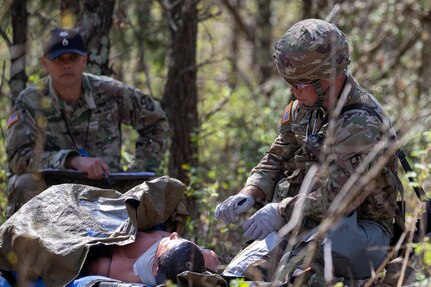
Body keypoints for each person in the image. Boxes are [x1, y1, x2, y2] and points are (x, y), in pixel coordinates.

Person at [215, 19, 403, 285]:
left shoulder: (359, 125)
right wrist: (250, 192)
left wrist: (279, 211)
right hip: (306, 223)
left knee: (300, 279)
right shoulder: (304, 106)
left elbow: (339, 200)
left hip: (359, 231)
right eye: (290, 83)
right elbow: (277, 155)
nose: (293, 91)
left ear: (328, 77)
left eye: (300, 84)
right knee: (241, 274)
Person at [5, 27, 169, 217]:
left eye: (73, 58)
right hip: (54, 187)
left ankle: (159, 244)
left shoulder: (111, 92)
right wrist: (70, 160)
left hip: (109, 185)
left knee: (159, 187)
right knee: (24, 183)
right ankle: (23, 245)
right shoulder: (30, 102)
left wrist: (139, 169)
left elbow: (156, 122)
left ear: (84, 59)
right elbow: (17, 157)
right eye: (59, 59)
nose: (67, 65)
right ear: (45, 63)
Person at [82, 231, 220, 285]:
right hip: (160, 249)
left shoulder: (124, 271)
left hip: (131, 266)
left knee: (101, 266)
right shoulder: (153, 240)